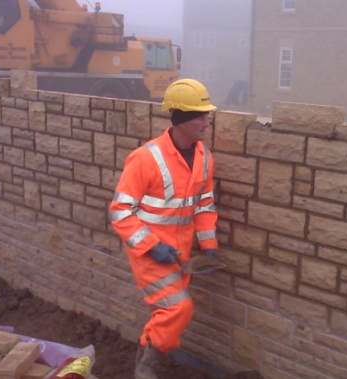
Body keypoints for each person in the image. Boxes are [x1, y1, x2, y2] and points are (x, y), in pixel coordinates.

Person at [109, 78, 220, 379]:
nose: (206, 122)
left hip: (180, 253)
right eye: (201, 116)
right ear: (182, 118)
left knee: (166, 313)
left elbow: (205, 206)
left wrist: (209, 247)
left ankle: (147, 350)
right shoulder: (146, 158)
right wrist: (150, 246)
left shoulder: (204, 158)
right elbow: (119, 211)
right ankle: (148, 368)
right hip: (150, 252)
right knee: (178, 310)